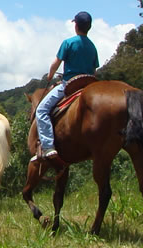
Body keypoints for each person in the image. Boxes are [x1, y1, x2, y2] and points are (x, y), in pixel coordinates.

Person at [36, 11, 99, 158]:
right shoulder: (93, 47)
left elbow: (56, 63)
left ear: (76, 25)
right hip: (88, 85)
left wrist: (50, 76)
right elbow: (94, 71)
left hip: (69, 85)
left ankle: (48, 146)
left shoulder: (69, 43)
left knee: (41, 110)